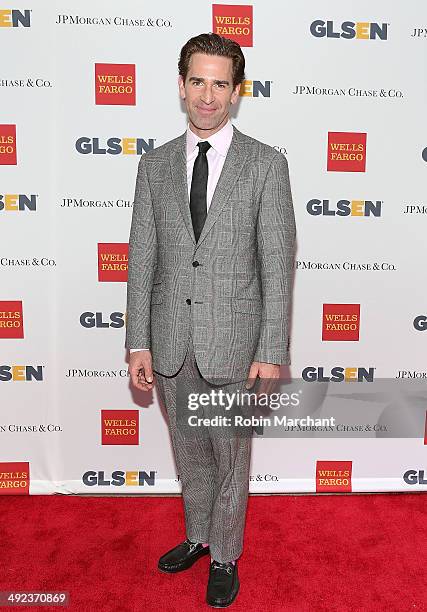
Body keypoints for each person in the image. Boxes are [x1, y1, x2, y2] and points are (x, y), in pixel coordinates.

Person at [125, 32, 296, 608]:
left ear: (237, 92)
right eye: (197, 81)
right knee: (191, 450)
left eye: (219, 83)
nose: (207, 95)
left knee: (230, 456)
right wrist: (137, 342)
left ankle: (225, 553)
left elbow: (277, 263)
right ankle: (198, 535)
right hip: (171, 340)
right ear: (181, 86)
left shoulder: (267, 165)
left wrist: (272, 348)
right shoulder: (154, 165)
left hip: (234, 343)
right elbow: (142, 256)